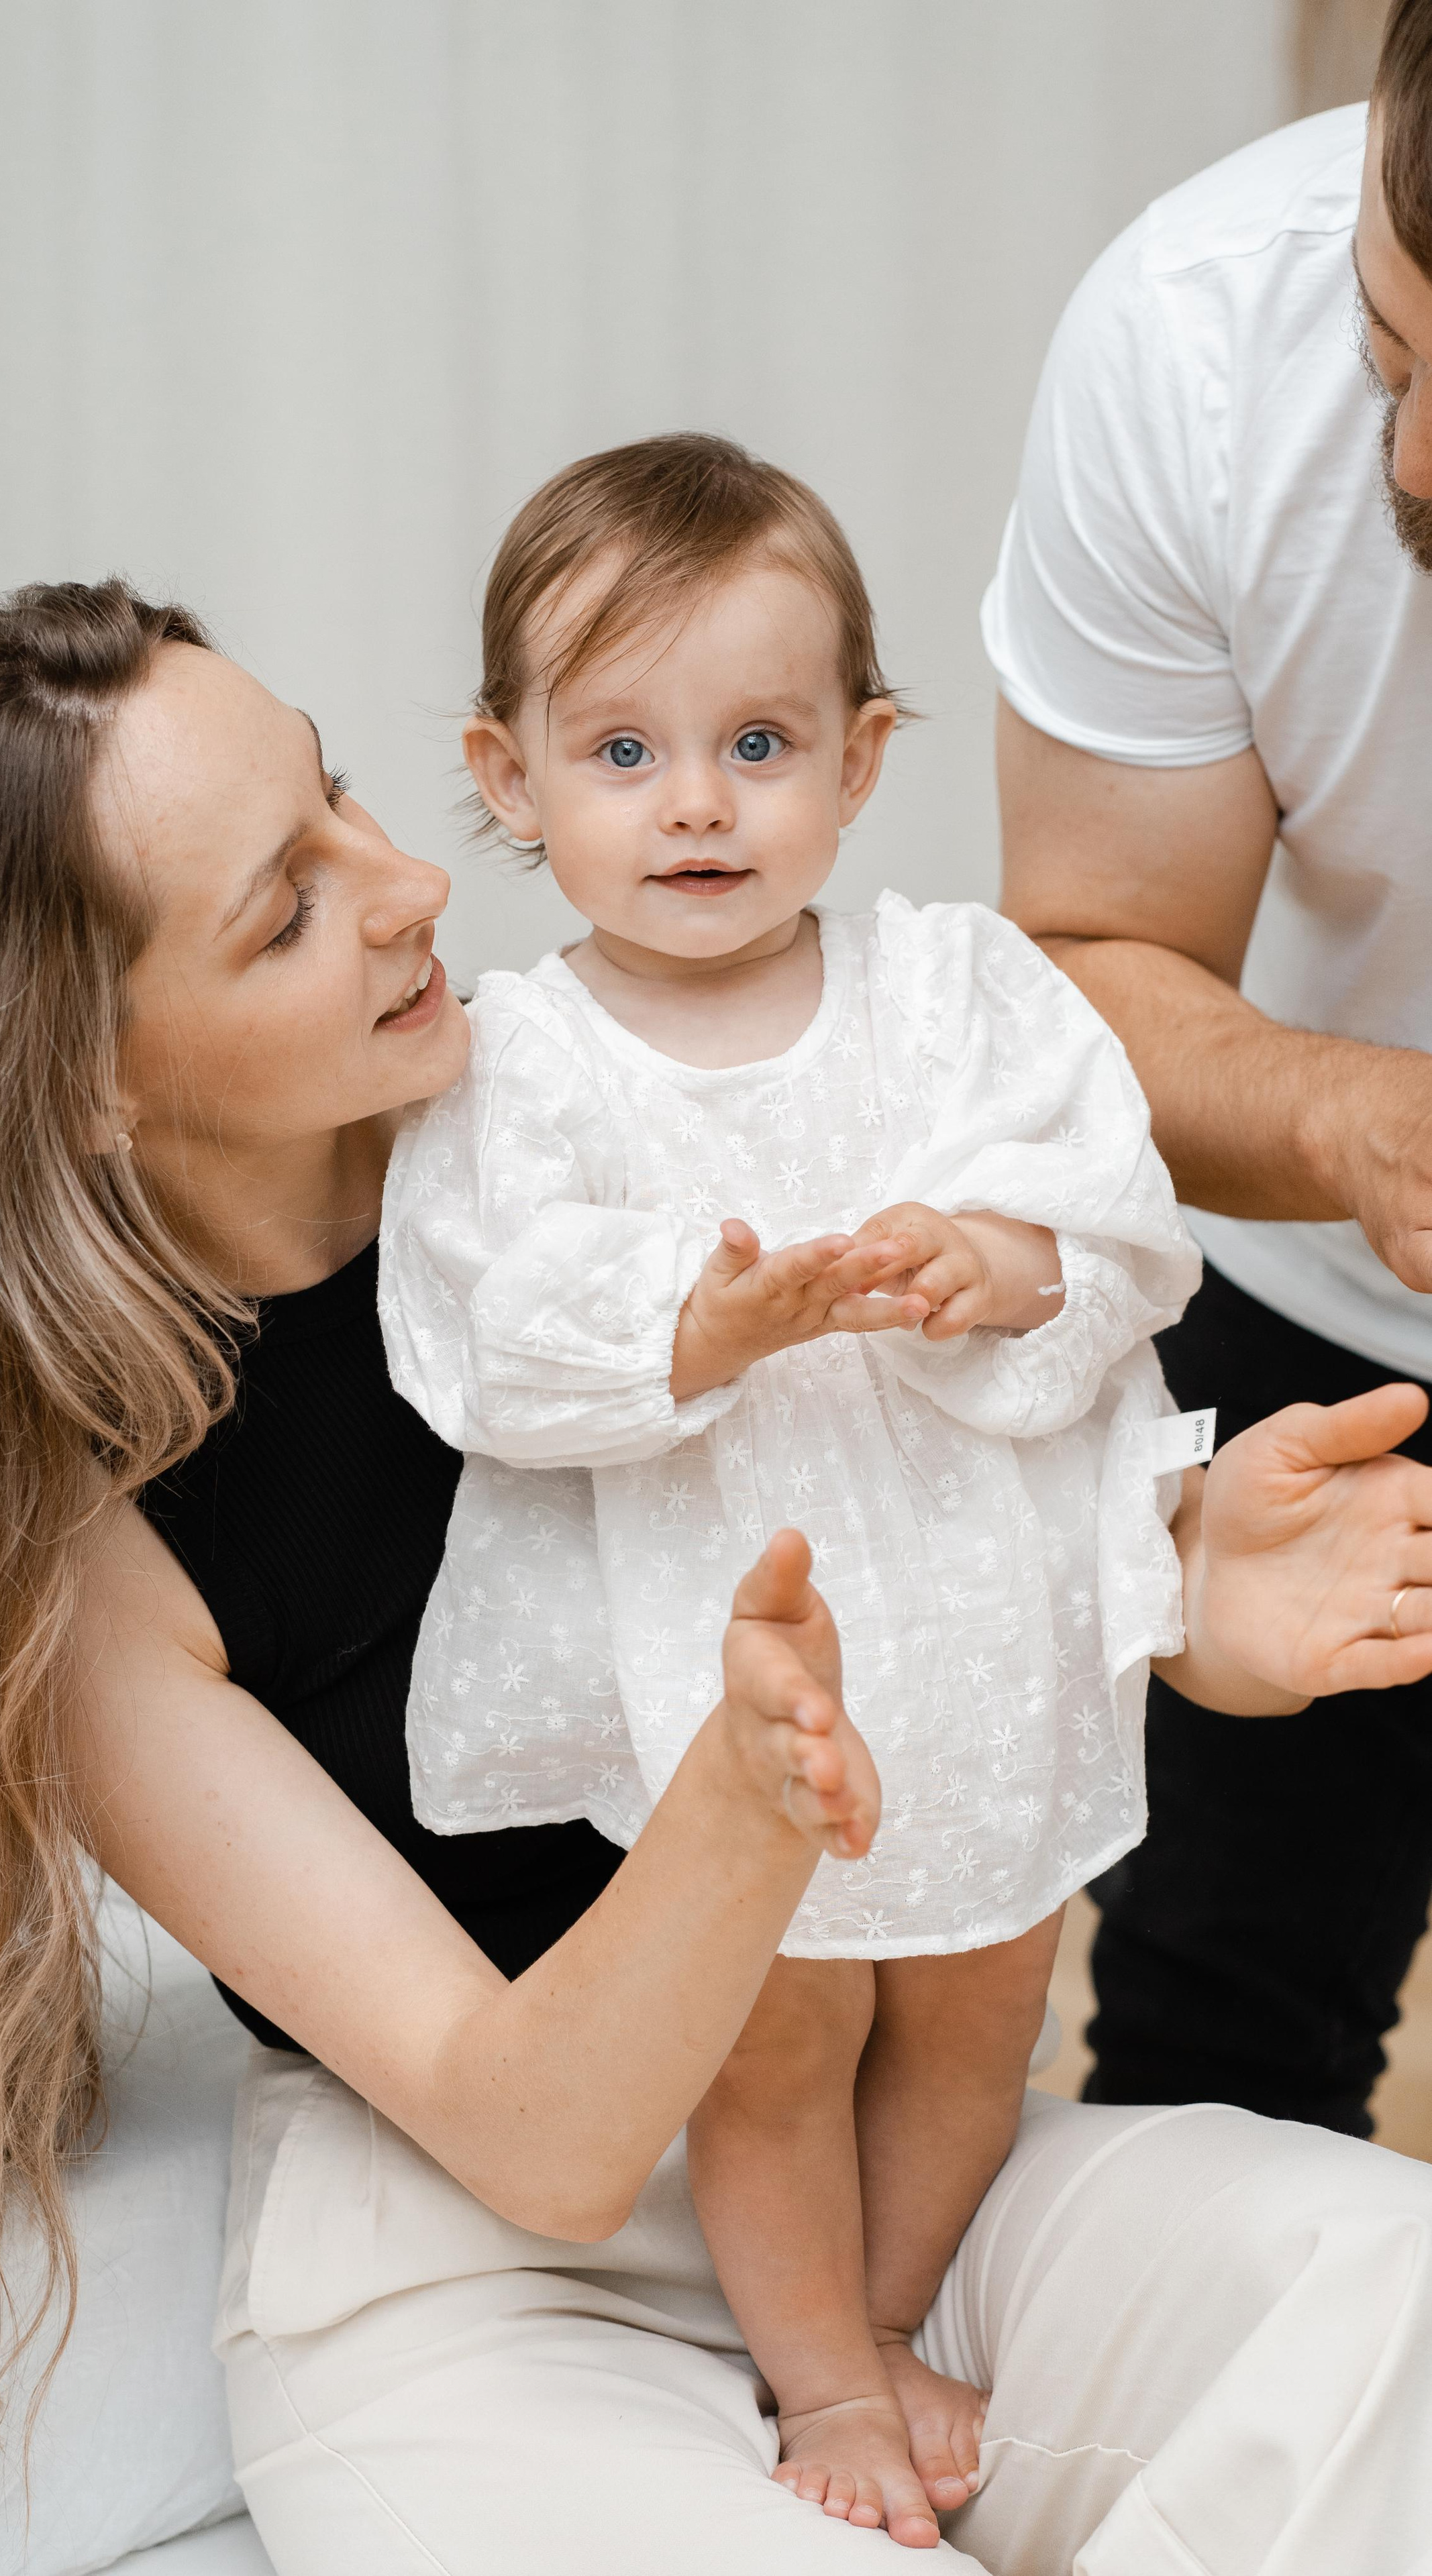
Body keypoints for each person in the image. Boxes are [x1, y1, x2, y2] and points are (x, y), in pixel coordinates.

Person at [0, 582, 1432, 2576]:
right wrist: (736, 1807)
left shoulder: (616, 1110)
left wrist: (1178, 1586)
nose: (411, 887)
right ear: (79, 1079)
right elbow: (531, 2126)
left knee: (1388, 2308)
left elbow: (942, 1524)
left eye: (342, 796)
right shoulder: (93, 1557)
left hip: (895, 2198)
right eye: (285, 909)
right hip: (493, 2289)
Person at [380, 431, 1203, 2541]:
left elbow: (1111, 1210)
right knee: (774, 2027)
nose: (696, 804)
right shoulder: (527, 1057)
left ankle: (900, 2305)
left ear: (860, 756)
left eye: (759, 740)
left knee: (988, 1990)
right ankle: (820, 2375)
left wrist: (999, 1262)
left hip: (972, 1618)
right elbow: (484, 1328)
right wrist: (698, 1323)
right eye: (624, 749)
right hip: (720, 1630)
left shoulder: (955, 988)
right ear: (513, 774)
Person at [987, 0, 1432, 2133]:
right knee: (1216, 2048)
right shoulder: (1194, 338)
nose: (1414, 467)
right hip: (1327, 1311)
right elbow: (1092, 967)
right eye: (1394, 345)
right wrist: (1351, 1117)